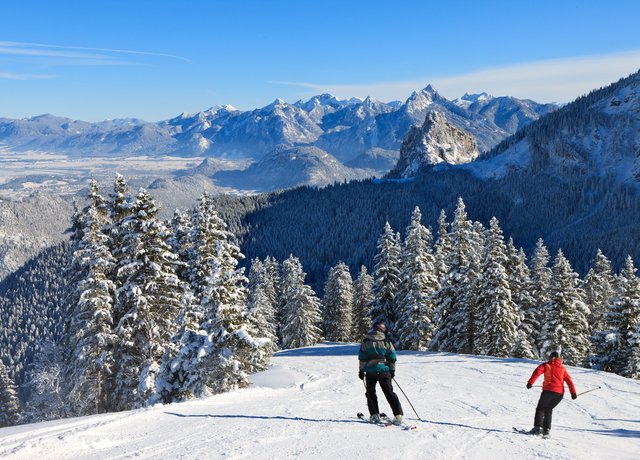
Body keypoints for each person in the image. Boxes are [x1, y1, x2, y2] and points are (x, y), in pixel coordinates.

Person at [358, 322, 404, 425]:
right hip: (384, 371)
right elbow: (392, 357)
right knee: (389, 393)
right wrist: (392, 370)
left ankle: (374, 415)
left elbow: (362, 358)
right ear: (382, 330)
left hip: (370, 371)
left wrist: (361, 370)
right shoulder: (386, 341)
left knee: (371, 393)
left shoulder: (366, 341)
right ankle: (398, 415)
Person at [526, 351, 577, 437]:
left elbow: (537, 372)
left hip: (548, 391)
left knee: (540, 408)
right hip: (559, 394)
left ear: (551, 357)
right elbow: (569, 381)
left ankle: (537, 428)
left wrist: (530, 383)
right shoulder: (563, 369)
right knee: (548, 409)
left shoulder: (546, 365)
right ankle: (546, 430)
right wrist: (573, 393)